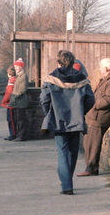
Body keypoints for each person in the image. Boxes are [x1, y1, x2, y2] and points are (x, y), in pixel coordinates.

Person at [40, 50, 95, 195]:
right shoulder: (82, 78)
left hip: (58, 120)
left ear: (58, 62)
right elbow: (91, 100)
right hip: (76, 120)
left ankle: (66, 184)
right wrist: (81, 111)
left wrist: (49, 114)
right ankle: (67, 180)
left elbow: (44, 100)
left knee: (62, 152)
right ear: (73, 62)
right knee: (73, 153)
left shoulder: (51, 78)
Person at [79, 57, 110, 176]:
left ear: (106, 68)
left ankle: (91, 168)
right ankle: (91, 167)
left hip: (100, 117)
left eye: (101, 67)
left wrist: (94, 105)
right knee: (89, 142)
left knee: (93, 144)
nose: (100, 69)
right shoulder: (108, 79)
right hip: (96, 116)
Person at [8, 58, 29, 141]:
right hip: (18, 102)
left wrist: (14, 96)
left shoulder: (23, 76)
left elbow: (22, 89)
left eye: (17, 66)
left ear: (21, 67)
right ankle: (19, 136)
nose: (15, 67)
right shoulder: (19, 76)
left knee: (20, 120)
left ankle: (21, 136)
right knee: (18, 119)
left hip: (20, 102)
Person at [0, 66, 17, 140]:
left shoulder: (11, 82)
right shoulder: (15, 80)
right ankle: (13, 133)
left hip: (10, 104)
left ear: (8, 74)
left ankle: (12, 134)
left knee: (11, 120)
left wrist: (4, 101)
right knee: (13, 119)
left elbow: (9, 93)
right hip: (13, 102)